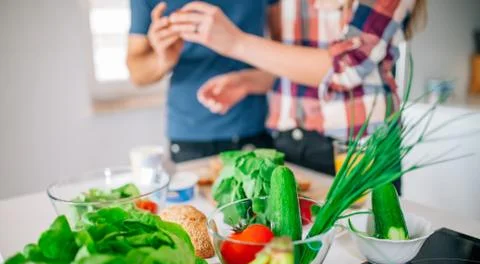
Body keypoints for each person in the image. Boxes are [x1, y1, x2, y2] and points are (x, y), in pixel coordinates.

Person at [167, 0, 427, 186]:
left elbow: (348, 64)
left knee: (368, 255)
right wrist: (250, 81)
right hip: (290, 144)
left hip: (359, 148)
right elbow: (299, 63)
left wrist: (236, 42)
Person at [126, 1, 281, 162]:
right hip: (190, 135)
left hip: (255, 127)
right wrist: (162, 60)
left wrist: (249, 79)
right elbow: (137, 72)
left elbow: (284, 52)